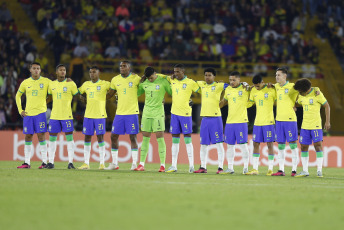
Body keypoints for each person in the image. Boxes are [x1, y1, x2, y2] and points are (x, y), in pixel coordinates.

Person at [134, 67, 172, 172]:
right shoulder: (144, 82)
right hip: (146, 113)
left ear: (155, 73)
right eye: (148, 78)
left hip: (158, 113)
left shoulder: (163, 81)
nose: (150, 80)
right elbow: (136, 93)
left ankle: (162, 165)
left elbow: (173, 93)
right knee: (145, 138)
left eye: (151, 78)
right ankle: (141, 164)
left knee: (160, 137)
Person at [106, 61, 141, 170]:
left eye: (124, 66)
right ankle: (114, 163)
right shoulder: (115, 79)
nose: (122, 68)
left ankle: (134, 163)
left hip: (132, 113)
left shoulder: (136, 78)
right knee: (113, 136)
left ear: (129, 67)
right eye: (120, 66)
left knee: (133, 137)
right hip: (119, 113)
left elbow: (147, 85)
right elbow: (109, 94)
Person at [165, 64, 200, 173]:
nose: (176, 74)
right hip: (174, 114)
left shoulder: (190, 82)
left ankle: (191, 166)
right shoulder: (172, 80)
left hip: (185, 114)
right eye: (175, 71)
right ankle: (173, 166)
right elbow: (160, 76)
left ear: (183, 72)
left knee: (187, 139)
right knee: (175, 139)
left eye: (178, 72)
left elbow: (202, 90)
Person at [16, 62, 50, 169]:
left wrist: (47, 101)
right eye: (34, 68)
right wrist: (20, 110)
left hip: (40, 113)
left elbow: (55, 89)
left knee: (41, 135)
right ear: (30, 70)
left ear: (40, 70)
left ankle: (44, 162)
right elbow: (18, 95)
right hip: (28, 114)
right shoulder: (25, 82)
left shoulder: (46, 81)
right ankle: (26, 162)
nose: (36, 70)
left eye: (38, 68)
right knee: (28, 136)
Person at [293, 78, 330, 178]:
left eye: (301, 91)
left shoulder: (317, 93)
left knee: (318, 146)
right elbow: (297, 102)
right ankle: (305, 170)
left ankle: (319, 170)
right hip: (305, 126)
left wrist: (327, 121)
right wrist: (294, 106)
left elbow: (327, 106)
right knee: (303, 147)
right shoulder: (301, 96)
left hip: (316, 125)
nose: (300, 93)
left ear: (305, 89)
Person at [219, 71, 253, 174]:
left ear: (239, 79)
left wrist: (247, 86)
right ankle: (230, 168)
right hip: (230, 122)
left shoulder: (244, 88)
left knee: (243, 145)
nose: (232, 82)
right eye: (230, 80)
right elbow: (222, 103)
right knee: (230, 146)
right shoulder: (228, 89)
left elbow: (252, 97)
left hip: (241, 122)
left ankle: (246, 168)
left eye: (234, 80)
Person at [46, 64, 79, 169]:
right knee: (52, 139)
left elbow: (77, 96)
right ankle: (50, 162)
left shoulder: (71, 84)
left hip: (67, 115)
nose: (62, 72)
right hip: (54, 115)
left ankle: (70, 162)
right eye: (60, 70)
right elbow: (49, 98)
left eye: (64, 70)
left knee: (70, 138)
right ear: (56, 72)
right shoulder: (51, 84)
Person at [193, 68, 226, 174]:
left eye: (209, 75)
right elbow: (189, 82)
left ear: (214, 76)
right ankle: (203, 166)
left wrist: (243, 84)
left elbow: (233, 86)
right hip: (205, 119)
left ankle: (220, 167)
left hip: (216, 118)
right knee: (203, 144)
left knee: (219, 144)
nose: (207, 77)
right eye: (206, 75)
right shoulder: (201, 84)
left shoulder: (219, 85)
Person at [77, 66, 110, 170]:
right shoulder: (86, 84)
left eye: (94, 72)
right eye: (90, 72)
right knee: (87, 137)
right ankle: (86, 163)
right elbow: (78, 92)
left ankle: (102, 163)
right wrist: (81, 97)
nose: (92, 74)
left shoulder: (105, 84)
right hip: (88, 115)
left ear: (98, 73)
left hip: (100, 115)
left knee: (100, 137)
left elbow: (114, 89)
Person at [246, 74, 276, 175]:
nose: (256, 88)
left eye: (258, 86)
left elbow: (280, 98)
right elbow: (249, 103)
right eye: (255, 86)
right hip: (258, 122)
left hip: (269, 122)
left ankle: (270, 169)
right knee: (255, 143)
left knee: (270, 144)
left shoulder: (271, 90)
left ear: (262, 82)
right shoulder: (253, 90)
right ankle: (255, 168)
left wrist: (274, 86)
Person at [271, 67, 299, 176]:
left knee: (292, 144)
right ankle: (281, 170)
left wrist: (316, 89)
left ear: (285, 76)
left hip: (290, 120)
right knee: (281, 145)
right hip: (279, 120)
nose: (276, 77)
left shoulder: (292, 86)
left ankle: (294, 170)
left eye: (278, 75)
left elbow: (305, 89)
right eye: (276, 75)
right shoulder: (276, 87)